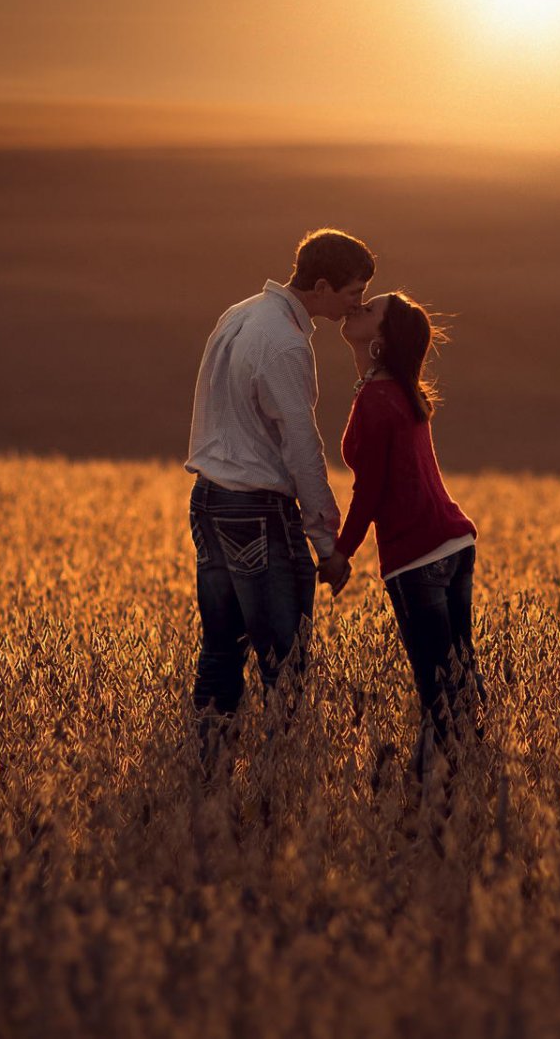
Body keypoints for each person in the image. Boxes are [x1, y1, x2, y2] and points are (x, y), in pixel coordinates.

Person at [185, 229, 370, 748]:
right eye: (353, 291)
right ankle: (284, 781)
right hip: (257, 509)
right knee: (285, 665)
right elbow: (301, 448)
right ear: (323, 285)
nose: (356, 303)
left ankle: (206, 771)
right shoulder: (286, 342)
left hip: (208, 500)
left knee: (221, 651)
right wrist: (327, 544)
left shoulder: (240, 313)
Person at [334, 291, 482, 771]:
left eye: (369, 309)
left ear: (381, 338)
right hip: (455, 542)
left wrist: (341, 553)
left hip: (418, 556)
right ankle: (470, 780)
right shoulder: (400, 391)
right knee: (460, 680)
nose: (357, 309)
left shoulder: (378, 398)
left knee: (437, 694)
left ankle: (431, 799)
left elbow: (370, 491)